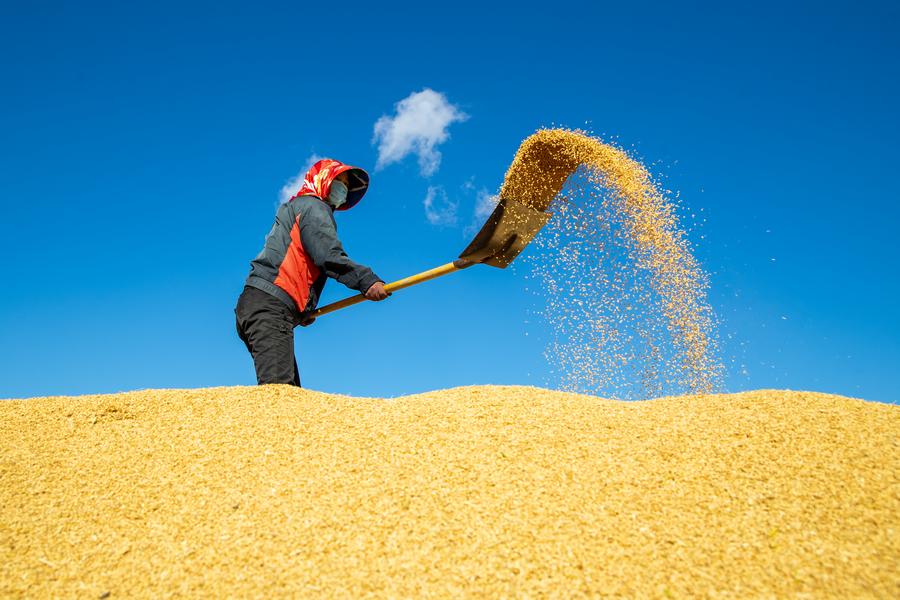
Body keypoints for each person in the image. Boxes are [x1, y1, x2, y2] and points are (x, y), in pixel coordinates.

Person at [235, 159, 389, 386]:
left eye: (346, 186)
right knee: (279, 396)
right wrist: (367, 281)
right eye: (340, 182)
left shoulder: (297, 208)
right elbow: (327, 255)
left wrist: (301, 309)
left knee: (290, 393)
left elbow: (296, 261)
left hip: (263, 305)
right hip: (269, 307)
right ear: (324, 179)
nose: (343, 190)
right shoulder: (313, 207)